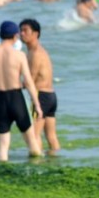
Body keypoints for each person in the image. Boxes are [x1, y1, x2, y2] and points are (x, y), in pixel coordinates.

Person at [0, 21, 42, 160]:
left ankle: (1, 174)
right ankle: (37, 171)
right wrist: (37, 105)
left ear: (0, 35)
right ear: (16, 36)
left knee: (3, 144)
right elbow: (28, 82)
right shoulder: (19, 55)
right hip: (16, 98)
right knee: (31, 141)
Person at [20, 19, 60, 155]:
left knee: (34, 135)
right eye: (20, 30)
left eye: (25, 30)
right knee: (51, 136)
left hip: (41, 96)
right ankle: (55, 160)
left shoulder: (35, 53)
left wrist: (11, 87)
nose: (22, 33)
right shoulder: (36, 51)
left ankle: (38, 165)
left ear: (36, 33)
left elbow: (30, 79)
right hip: (51, 96)